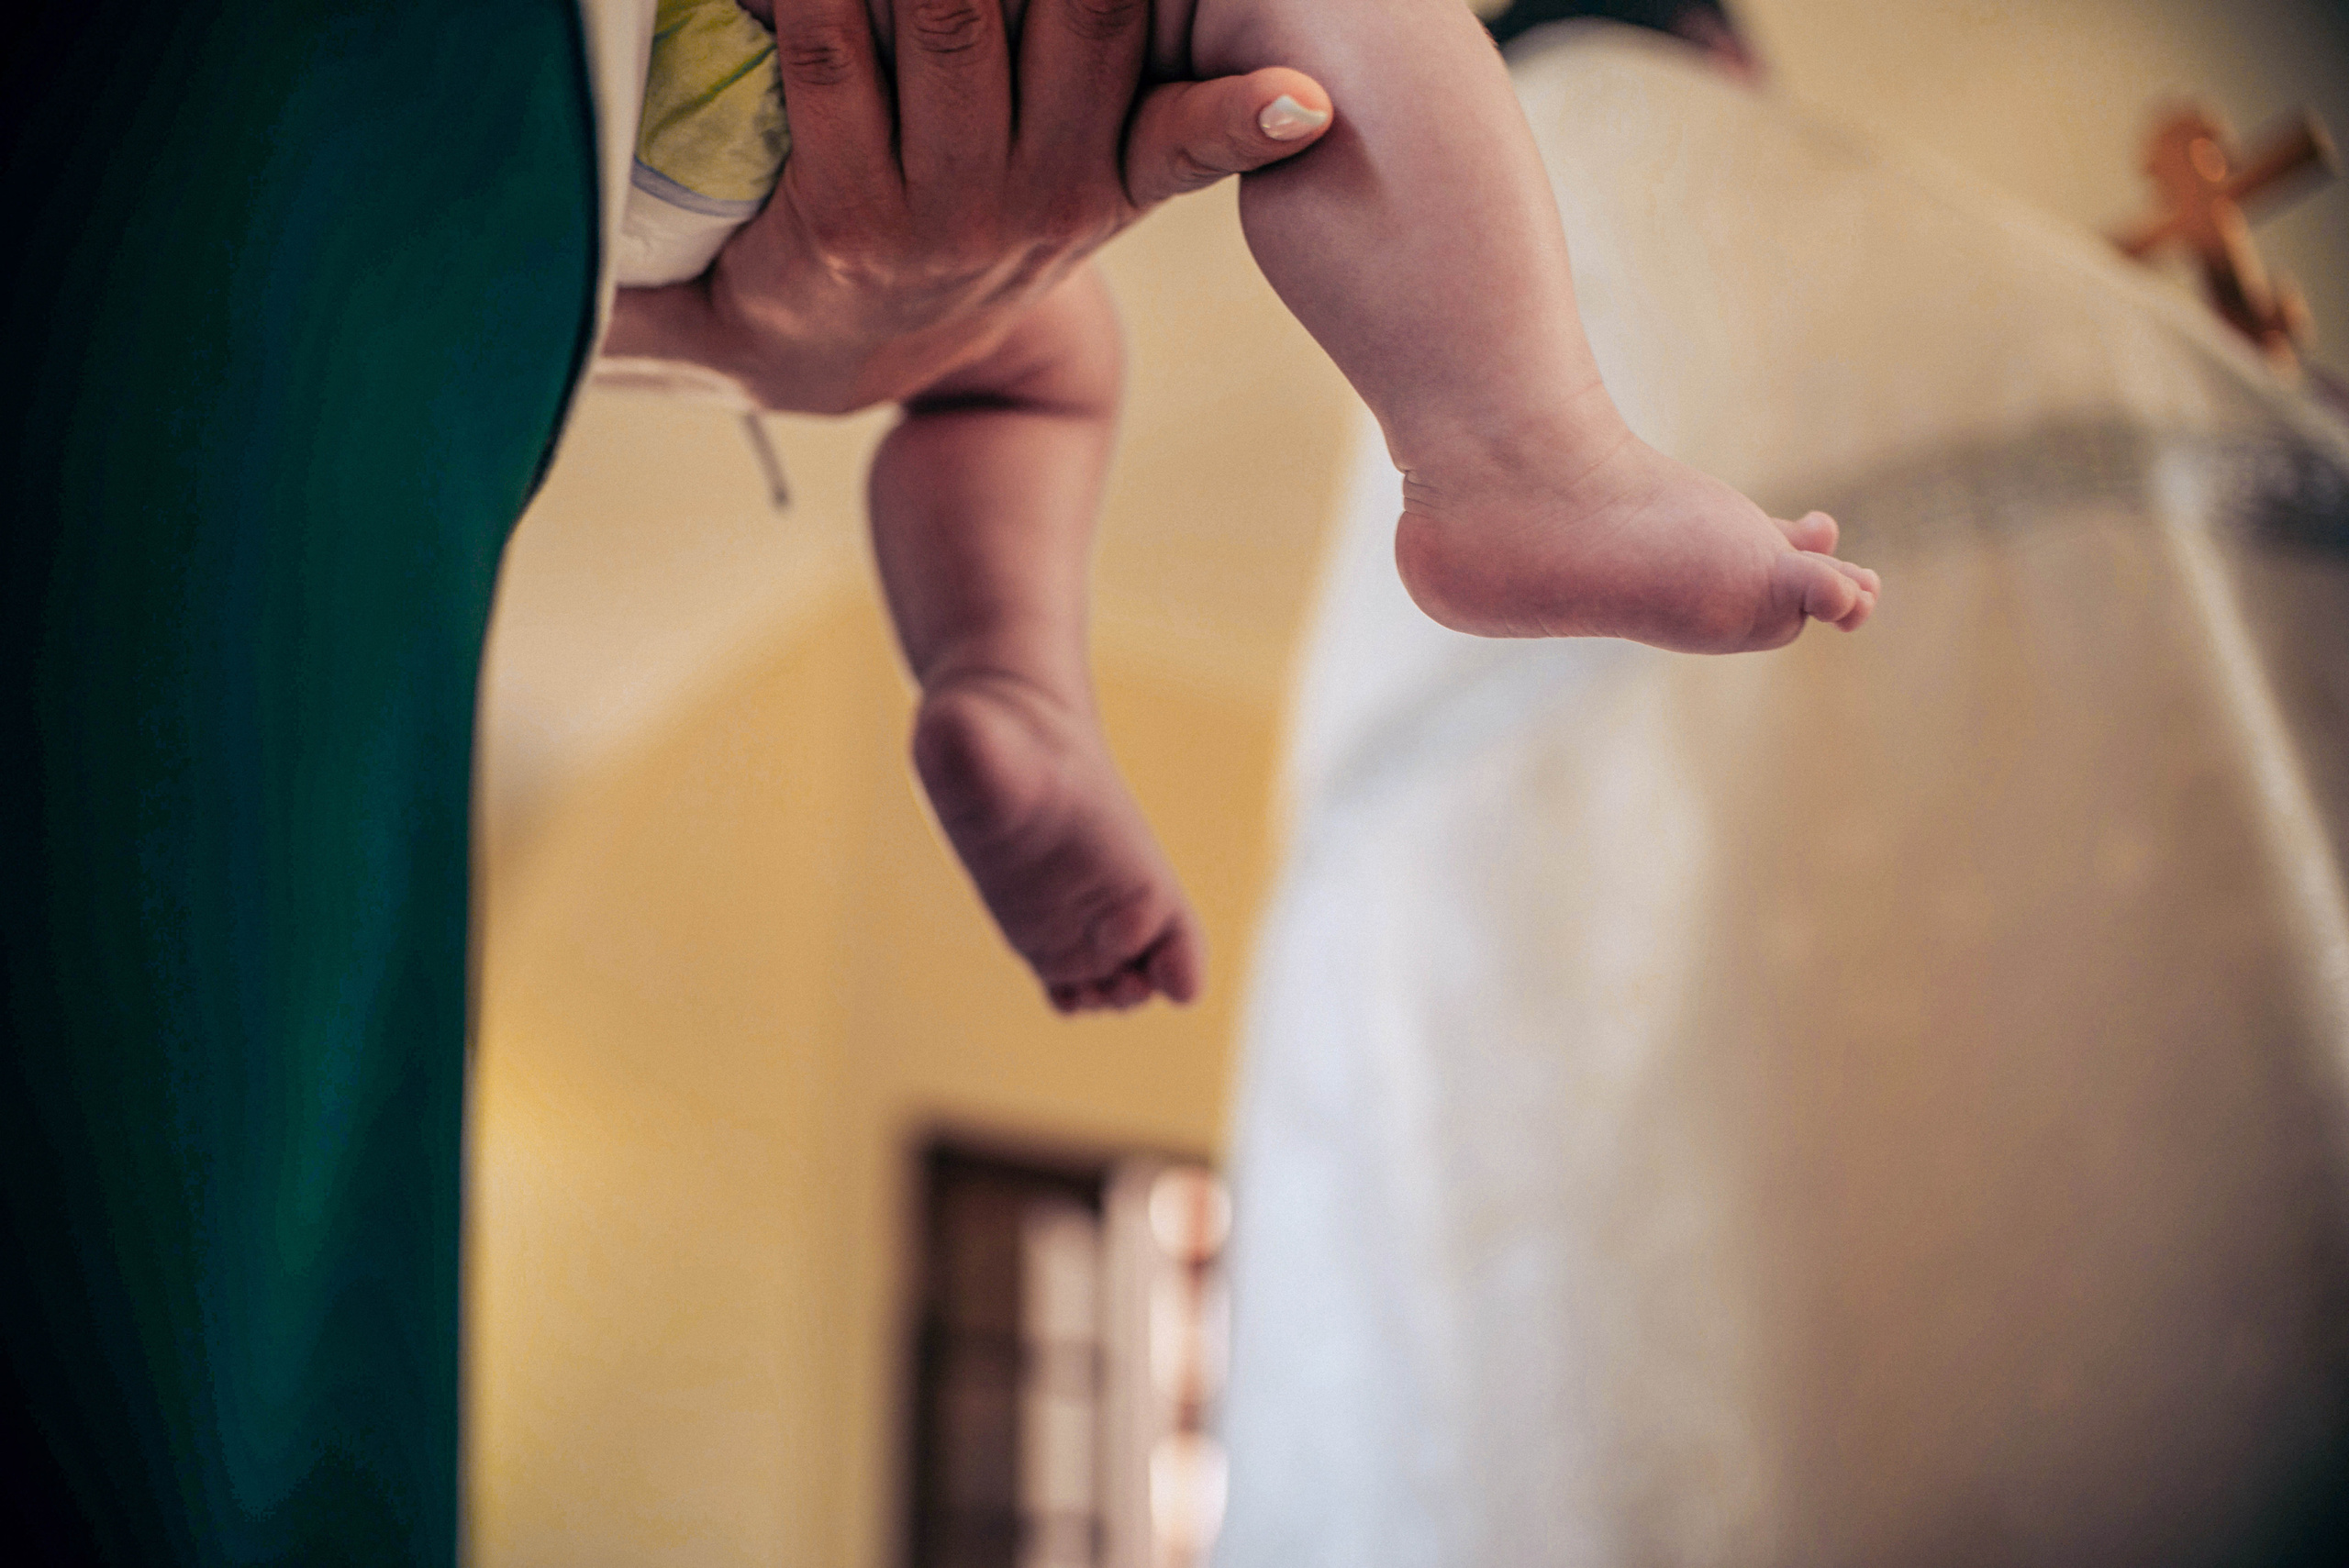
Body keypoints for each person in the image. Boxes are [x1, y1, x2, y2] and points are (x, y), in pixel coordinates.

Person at [0, 3, 1329, 1560]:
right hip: (564, 119)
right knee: (1040, 363)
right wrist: (1510, 426)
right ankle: (1009, 670)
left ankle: (1013, 681)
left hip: (619, 116)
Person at [607, 0, 1881, 1015]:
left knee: (1034, 352)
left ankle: (1015, 681)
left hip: (606, 143)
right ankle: (1528, 452)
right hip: (670, 127)